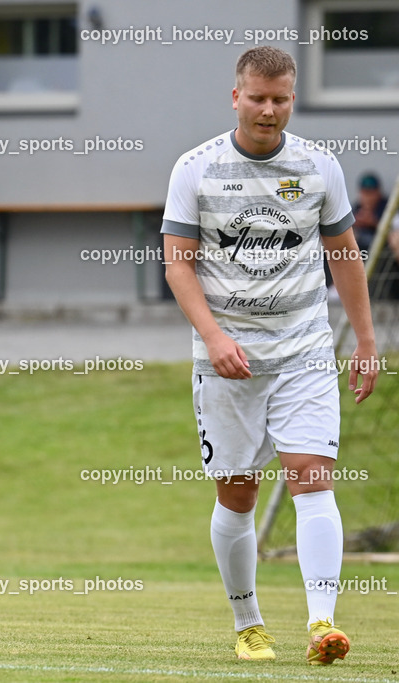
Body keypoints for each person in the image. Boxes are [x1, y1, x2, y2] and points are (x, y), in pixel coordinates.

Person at [161, 46, 378, 665]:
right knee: (238, 494)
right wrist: (214, 337)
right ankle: (248, 621)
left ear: (292, 98)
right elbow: (177, 267)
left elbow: (345, 255)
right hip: (227, 357)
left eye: (280, 98)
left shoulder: (319, 166)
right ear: (236, 97)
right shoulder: (195, 168)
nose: (268, 109)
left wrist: (364, 341)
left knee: (313, 478)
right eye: (257, 97)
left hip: (304, 351)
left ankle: (321, 623)